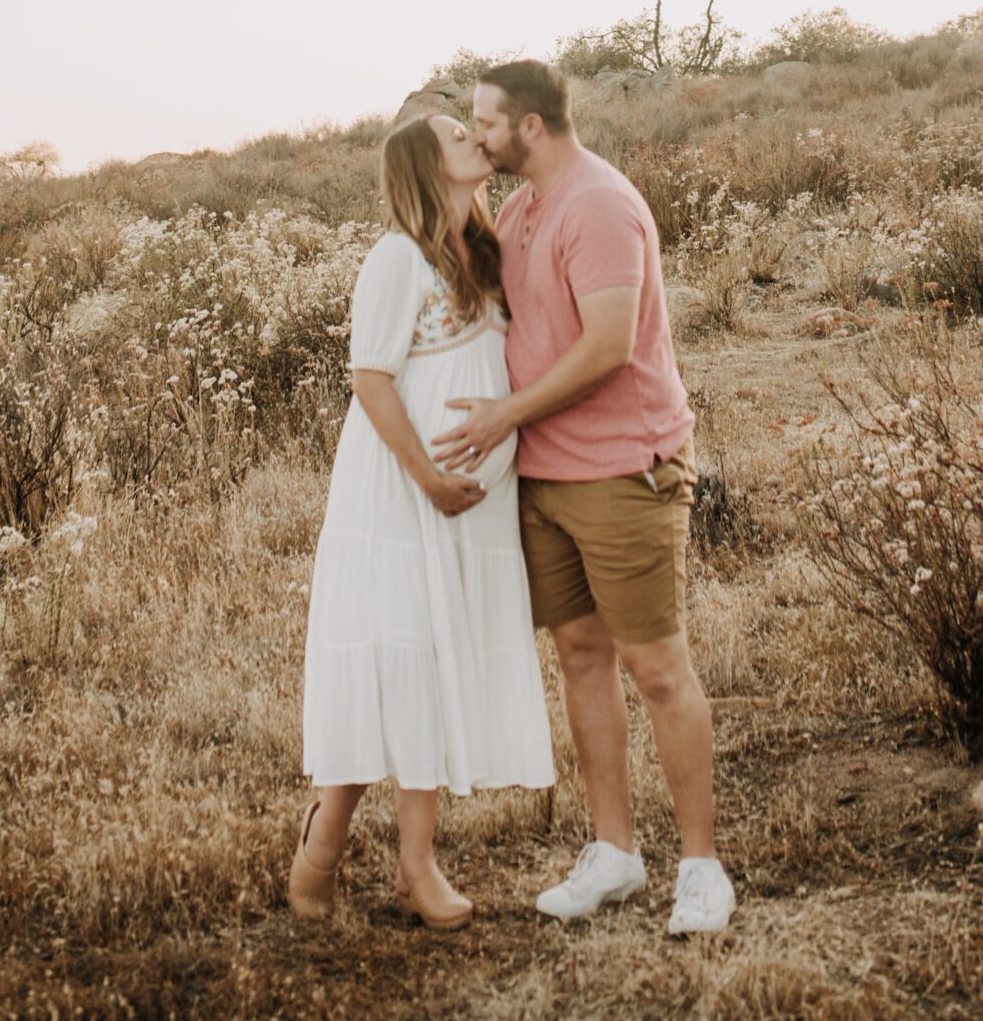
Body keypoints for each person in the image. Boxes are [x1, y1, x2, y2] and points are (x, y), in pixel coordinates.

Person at [434, 59, 736, 938]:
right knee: (578, 654)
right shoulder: (524, 207)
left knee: (656, 668)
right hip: (547, 475)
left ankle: (701, 868)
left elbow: (607, 345)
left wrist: (501, 419)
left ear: (529, 125)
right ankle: (614, 853)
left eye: (486, 122)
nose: (478, 135)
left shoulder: (596, 204)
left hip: (621, 471)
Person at [291, 110, 555, 928]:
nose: (477, 138)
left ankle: (416, 866)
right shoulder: (396, 258)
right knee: (393, 654)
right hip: (401, 493)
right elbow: (369, 380)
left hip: (474, 507)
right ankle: (323, 845)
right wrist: (429, 480)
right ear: (421, 165)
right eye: (456, 135)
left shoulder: (483, 250)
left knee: (438, 662)